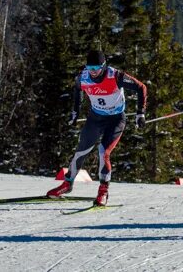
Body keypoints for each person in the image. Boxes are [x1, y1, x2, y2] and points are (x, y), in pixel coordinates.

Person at [46, 50, 147, 206]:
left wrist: (141, 113)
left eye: (96, 69)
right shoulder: (84, 77)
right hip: (95, 118)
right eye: (89, 68)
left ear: (104, 66)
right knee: (81, 151)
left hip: (116, 120)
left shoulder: (115, 76)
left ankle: (103, 191)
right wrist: (75, 112)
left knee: (103, 152)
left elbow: (141, 87)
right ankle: (67, 184)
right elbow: (77, 89)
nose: (92, 72)